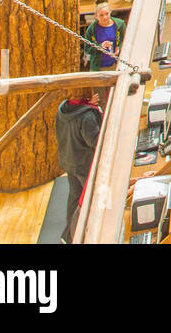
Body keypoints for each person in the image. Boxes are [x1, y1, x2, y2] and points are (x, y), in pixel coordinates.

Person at [55, 88, 102, 243]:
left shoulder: (64, 109)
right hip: (83, 164)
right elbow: (95, 141)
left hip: (69, 160)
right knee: (86, 200)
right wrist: (95, 111)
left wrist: (89, 106)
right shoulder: (87, 116)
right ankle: (79, 235)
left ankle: (69, 236)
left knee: (74, 197)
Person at [83, 1, 125, 70]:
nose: (105, 17)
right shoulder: (91, 29)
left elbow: (126, 42)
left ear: (110, 12)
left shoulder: (120, 25)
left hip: (116, 66)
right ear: (96, 16)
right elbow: (87, 49)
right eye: (101, 15)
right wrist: (100, 46)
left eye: (107, 14)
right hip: (98, 68)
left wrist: (119, 48)